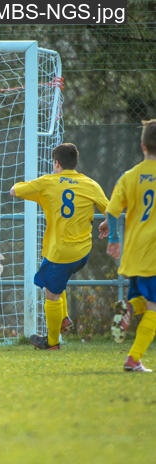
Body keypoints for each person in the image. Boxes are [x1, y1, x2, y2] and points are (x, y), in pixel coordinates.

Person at [10, 143, 109, 350]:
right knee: (56, 280)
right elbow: (111, 211)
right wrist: (107, 223)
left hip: (60, 253)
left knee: (51, 294)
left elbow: (15, 191)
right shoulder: (90, 184)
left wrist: (35, 190)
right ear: (75, 162)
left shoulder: (47, 183)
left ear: (56, 163)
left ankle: (52, 342)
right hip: (82, 253)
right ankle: (63, 318)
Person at [100, 119, 156, 372]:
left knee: (143, 300)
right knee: (154, 308)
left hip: (133, 252)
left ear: (143, 146)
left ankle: (129, 308)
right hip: (153, 253)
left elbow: (112, 211)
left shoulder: (129, 176)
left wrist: (114, 239)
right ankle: (133, 359)